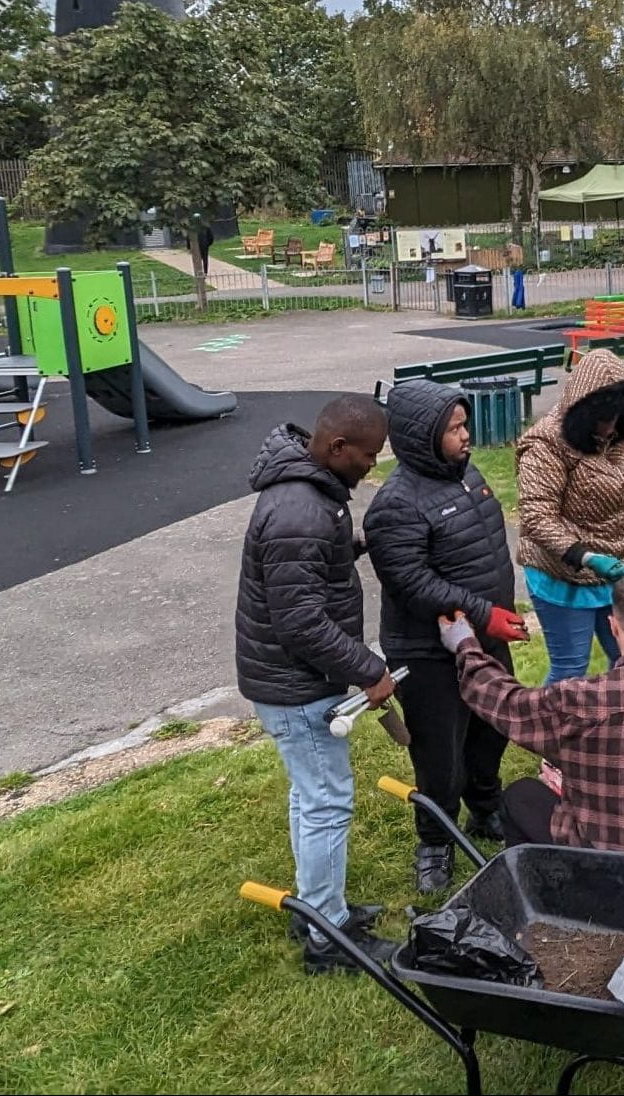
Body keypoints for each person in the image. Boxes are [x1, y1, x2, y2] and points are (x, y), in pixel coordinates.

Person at [235, 395, 398, 975]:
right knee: (328, 802)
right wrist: (369, 669)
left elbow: (304, 571)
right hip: (297, 687)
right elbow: (300, 621)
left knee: (311, 796)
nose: (371, 465)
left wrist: (352, 546)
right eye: (368, 455)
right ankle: (327, 940)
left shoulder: (309, 496)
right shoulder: (301, 511)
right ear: (336, 448)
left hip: (292, 681)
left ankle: (316, 909)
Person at [363, 380, 530, 894]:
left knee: (492, 729)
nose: (466, 436)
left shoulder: (464, 475)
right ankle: (434, 840)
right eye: (454, 429)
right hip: (429, 653)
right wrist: (485, 613)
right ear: (421, 436)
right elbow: (412, 584)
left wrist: (494, 617)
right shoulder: (394, 505)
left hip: (483, 638)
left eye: (464, 424)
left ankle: (486, 808)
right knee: (440, 755)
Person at [438, 572, 624, 856]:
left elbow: (502, 700)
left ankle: (538, 887)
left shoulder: (577, 701)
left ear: (613, 626)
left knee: (520, 796)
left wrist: (466, 645)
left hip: (604, 870)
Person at [515, 348, 624, 684]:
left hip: (612, 573)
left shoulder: (616, 439)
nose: (611, 428)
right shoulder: (545, 447)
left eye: (618, 417)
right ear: (584, 410)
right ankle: (553, 732)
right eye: (604, 419)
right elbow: (537, 516)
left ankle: (616, 727)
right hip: (561, 575)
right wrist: (585, 556)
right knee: (570, 670)